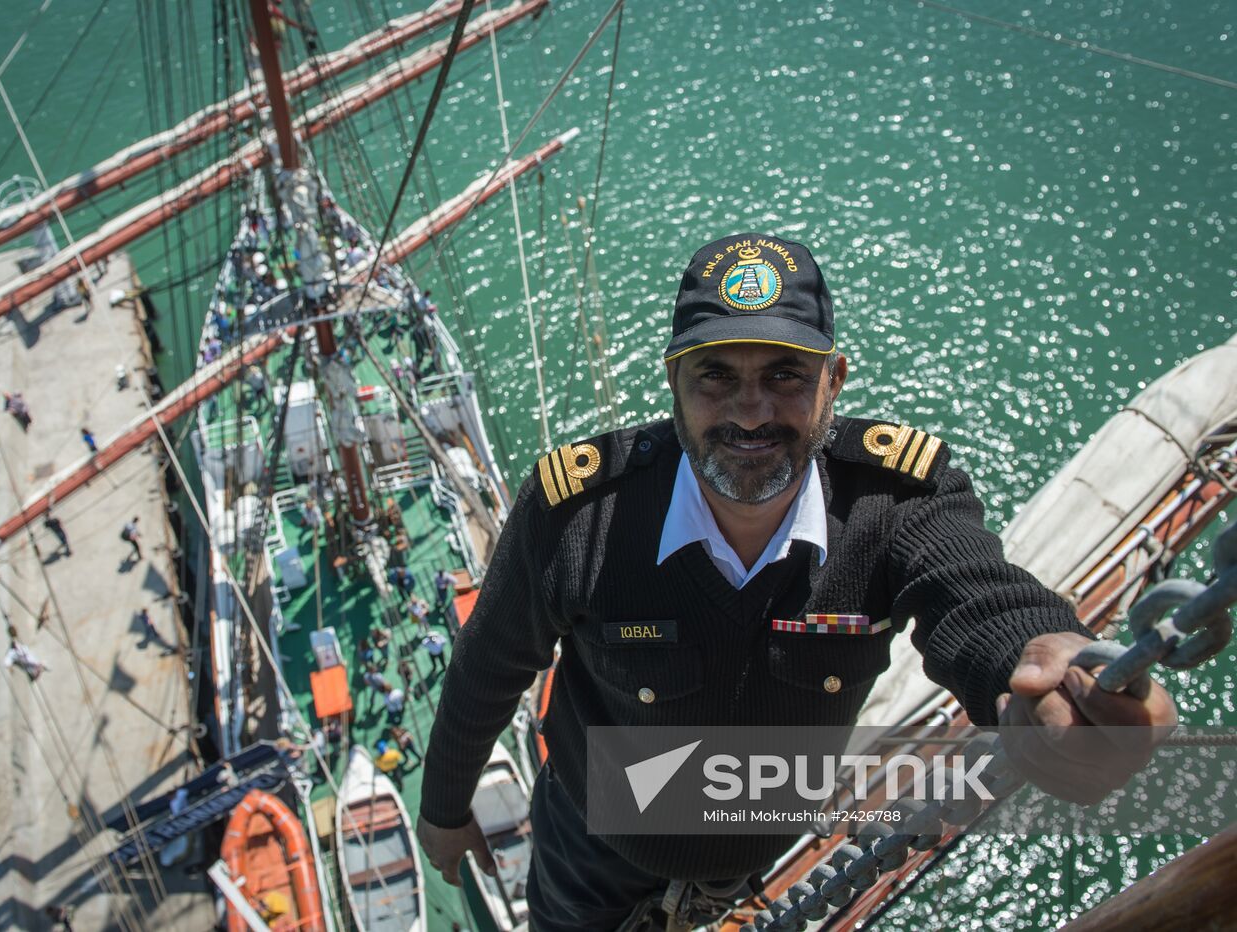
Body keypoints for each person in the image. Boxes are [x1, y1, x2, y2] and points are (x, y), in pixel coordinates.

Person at [415, 232, 1177, 931]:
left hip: (762, 852)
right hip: (592, 848)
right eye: (715, 376)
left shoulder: (897, 502)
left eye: (786, 374)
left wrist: (1045, 665)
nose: (750, 411)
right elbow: (490, 666)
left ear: (834, 381)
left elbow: (978, 598)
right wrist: (446, 807)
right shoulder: (579, 514)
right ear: (674, 382)